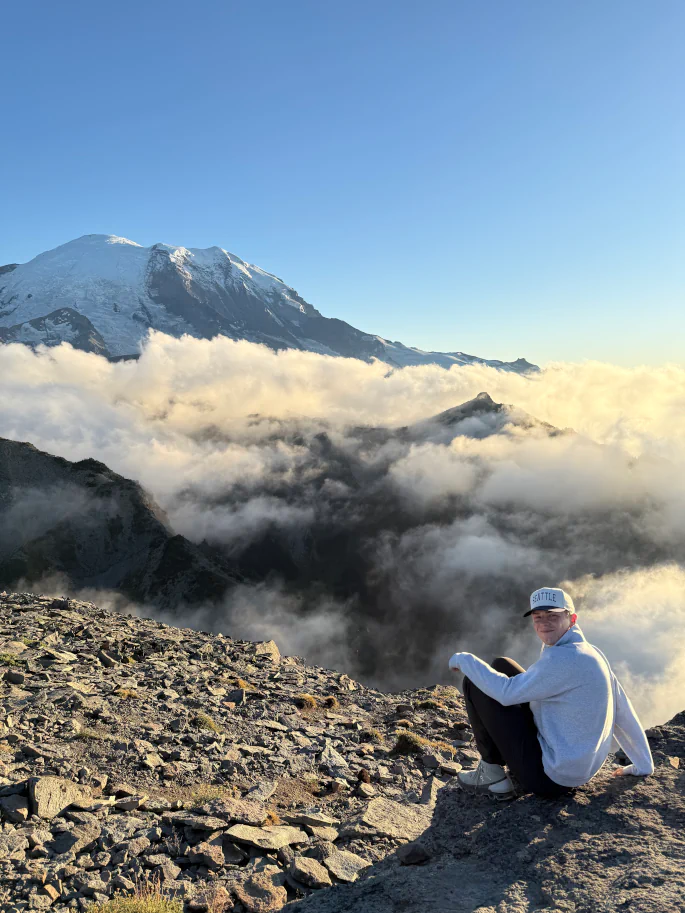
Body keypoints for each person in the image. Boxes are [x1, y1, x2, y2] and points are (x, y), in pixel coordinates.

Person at [448, 587, 654, 800]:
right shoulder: (590, 652)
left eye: (553, 616)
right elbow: (623, 708)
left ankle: (491, 773)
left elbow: (506, 693)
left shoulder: (563, 659)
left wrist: (463, 659)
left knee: (475, 680)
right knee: (502, 665)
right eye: (538, 617)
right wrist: (643, 764)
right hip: (576, 768)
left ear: (571, 618)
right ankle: (502, 766)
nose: (544, 623)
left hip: (551, 778)